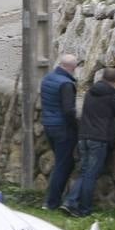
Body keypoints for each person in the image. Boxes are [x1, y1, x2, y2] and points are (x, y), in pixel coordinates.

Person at [66, 67, 115, 217]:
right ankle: (84, 210)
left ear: (102, 77)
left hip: (84, 136)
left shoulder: (90, 92)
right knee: (91, 175)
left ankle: (70, 202)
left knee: (84, 171)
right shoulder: (113, 94)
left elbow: (102, 111)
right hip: (98, 139)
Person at [39, 53, 79, 212]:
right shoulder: (66, 84)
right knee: (63, 165)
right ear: (72, 68)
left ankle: (54, 199)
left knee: (63, 162)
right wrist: (76, 128)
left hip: (48, 125)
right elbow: (69, 110)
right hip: (62, 128)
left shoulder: (48, 78)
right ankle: (51, 202)